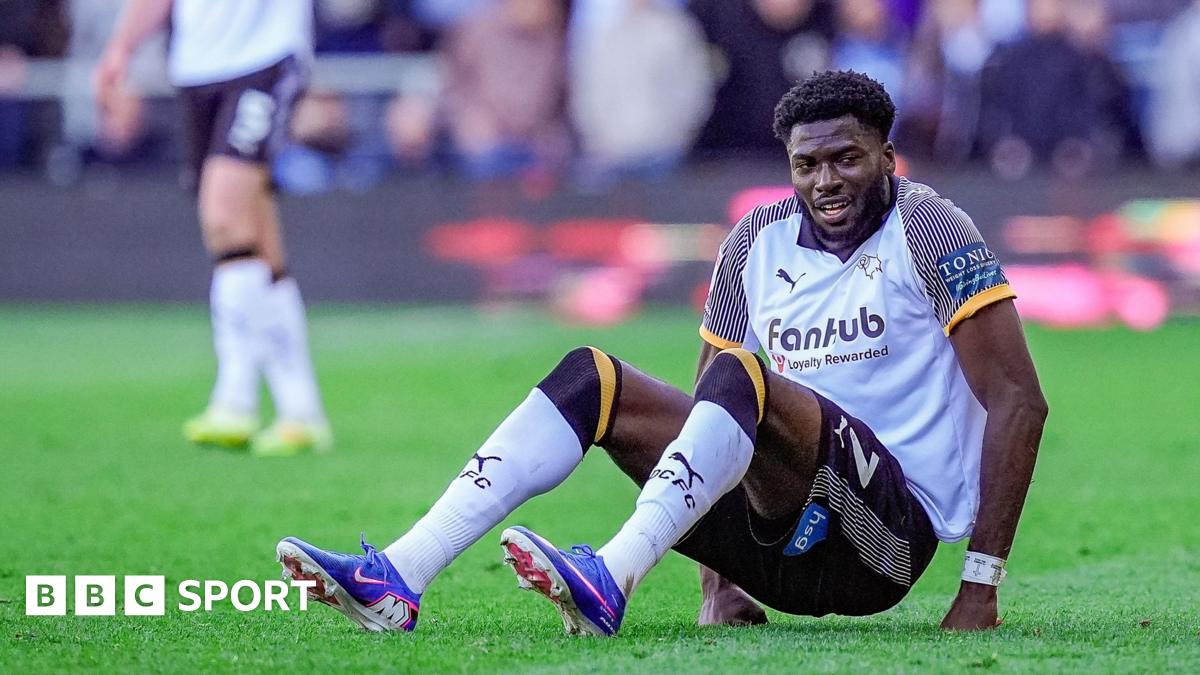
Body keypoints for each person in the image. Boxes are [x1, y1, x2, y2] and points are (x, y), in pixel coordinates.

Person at [276, 71, 1047, 634]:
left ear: (888, 155)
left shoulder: (931, 229)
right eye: (807, 164)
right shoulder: (755, 241)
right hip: (775, 539)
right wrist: (721, 581)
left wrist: (979, 585)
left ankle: (610, 576)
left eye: (846, 158)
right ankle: (399, 574)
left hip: (885, 542)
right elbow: (712, 417)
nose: (826, 181)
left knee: (743, 373)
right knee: (592, 376)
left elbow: (1019, 399)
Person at [95, 0, 332, 455]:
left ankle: (235, 400)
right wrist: (121, 47)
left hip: (265, 57)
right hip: (196, 65)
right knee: (256, 231)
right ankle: (301, 411)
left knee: (224, 216)